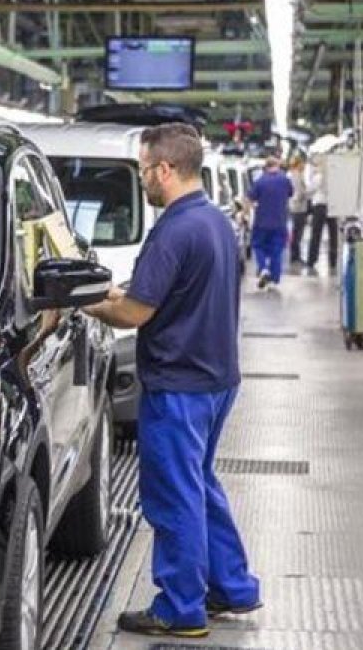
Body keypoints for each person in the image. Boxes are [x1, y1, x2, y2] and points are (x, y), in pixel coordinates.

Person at [82, 123, 261, 639]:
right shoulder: (214, 222)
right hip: (216, 379)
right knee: (200, 487)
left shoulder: (173, 229)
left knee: (173, 497)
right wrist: (117, 293)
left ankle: (180, 608)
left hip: (179, 386)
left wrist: (83, 303)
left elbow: (137, 313)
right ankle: (231, 586)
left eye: (143, 170)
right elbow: (170, 292)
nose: (142, 180)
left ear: (165, 169)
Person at [247, 156, 295, 290]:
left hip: (261, 221)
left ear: (266, 167)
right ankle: (274, 277)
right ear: (277, 166)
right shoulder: (285, 180)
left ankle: (263, 269)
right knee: (277, 249)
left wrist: (251, 209)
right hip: (280, 221)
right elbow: (291, 193)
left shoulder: (259, 181)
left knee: (258, 246)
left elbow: (250, 198)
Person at [305, 155, 338, 271]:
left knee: (316, 234)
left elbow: (309, 190)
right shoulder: (334, 177)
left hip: (319, 206)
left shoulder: (317, 177)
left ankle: (312, 259)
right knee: (333, 234)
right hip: (332, 206)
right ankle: (333, 260)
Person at [288, 157, 309, 264]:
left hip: (297, 206)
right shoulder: (296, 175)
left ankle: (296, 254)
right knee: (297, 232)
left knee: (297, 232)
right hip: (298, 207)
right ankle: (295, 255)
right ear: (298, 164)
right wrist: (306, 194)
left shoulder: (295, 174)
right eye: (302, 163)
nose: (304, 165)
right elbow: (299, 191)